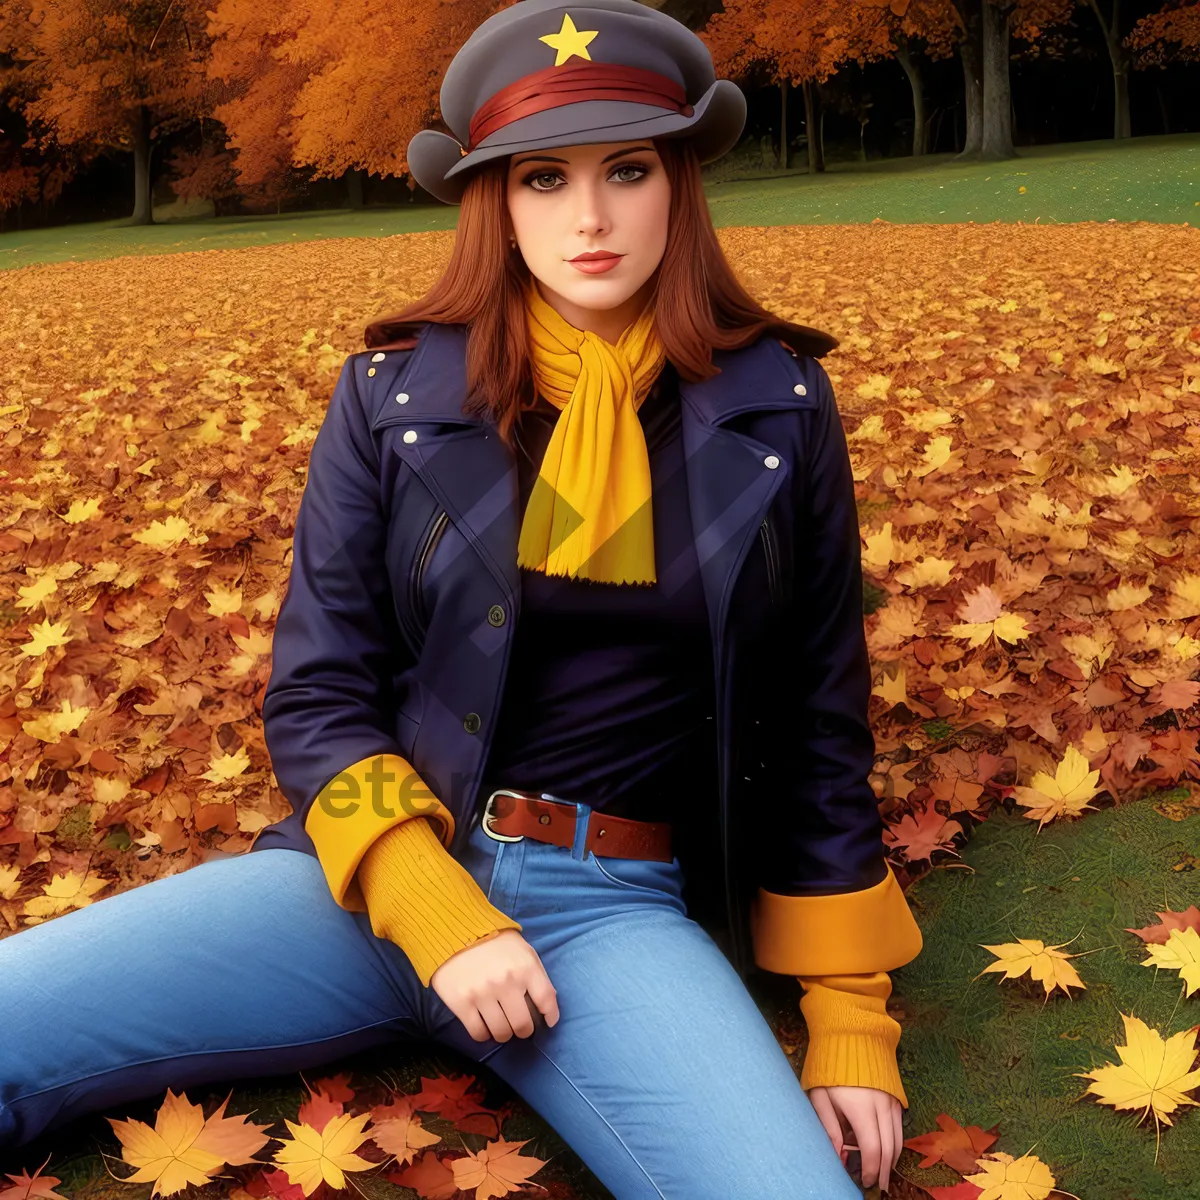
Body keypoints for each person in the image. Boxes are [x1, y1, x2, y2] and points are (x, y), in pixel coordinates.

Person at [0, 1, 923, 1194]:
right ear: (496, 200)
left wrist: (849, 1013)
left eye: (626, 170)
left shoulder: (778, 408)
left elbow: (817, 722)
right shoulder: (391, 397)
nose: (589, 217)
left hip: (613, 915)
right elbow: (320, 690)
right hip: (367, 880)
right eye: (544, 179)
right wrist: (432, 904)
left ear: (678, 185)